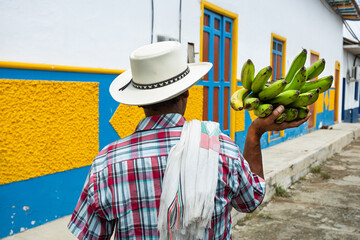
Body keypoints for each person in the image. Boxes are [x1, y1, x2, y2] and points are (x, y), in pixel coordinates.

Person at [68, 41, 310, 240]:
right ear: (186, 92)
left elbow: (89, 235)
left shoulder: (106, 163)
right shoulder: (221, 148)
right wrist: (254, 135)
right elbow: (251, 200)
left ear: (139, 100)